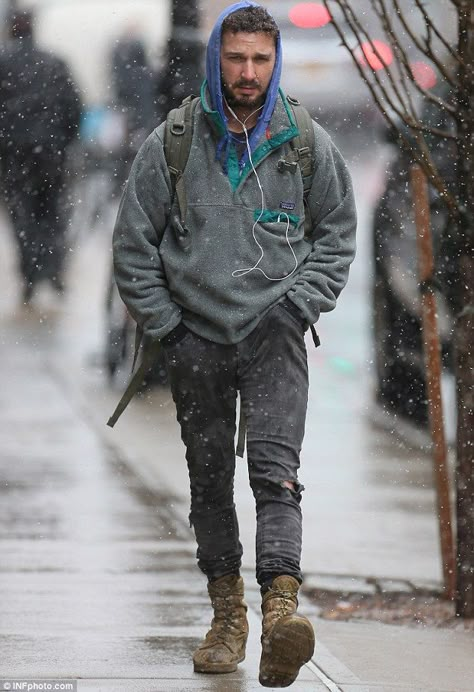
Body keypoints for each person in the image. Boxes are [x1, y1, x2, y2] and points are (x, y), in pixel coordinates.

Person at [112, 2, 356, 686]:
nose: (248, 72)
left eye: (260, 59)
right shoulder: (177, 140)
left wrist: (298, 304)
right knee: (209, 483)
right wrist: (170, 328)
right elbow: (134, 250)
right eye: (236, 58)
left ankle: (282, 616)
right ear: (216, 58)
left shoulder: (303, 138)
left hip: (275, 336)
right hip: (198, 342)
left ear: (274, 63)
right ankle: (228, 620)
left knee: (277, 477)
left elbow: (337, 234)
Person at [0, 10, 82, 303]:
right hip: (51, 154)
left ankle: (30, 275)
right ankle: (53, 268)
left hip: (15, 155)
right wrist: (63, 142)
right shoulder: (54, 63)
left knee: (23, 215)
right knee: (52, 211)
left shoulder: (4, 64)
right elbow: (74, 107)